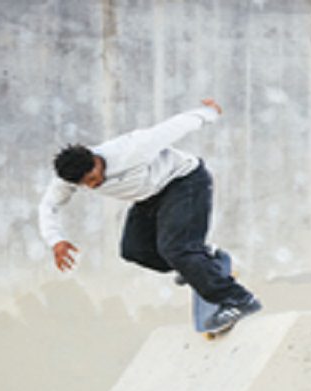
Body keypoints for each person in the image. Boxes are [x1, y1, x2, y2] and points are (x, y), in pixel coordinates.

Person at [37, 98, 260, 334]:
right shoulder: (67, 179)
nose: (93, 186)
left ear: (95, 160)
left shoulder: (132, 148)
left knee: (176, 249)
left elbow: (175, 126)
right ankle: (204, 262)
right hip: (148, 197)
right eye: (85, 185)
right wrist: (56, 240)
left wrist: (209, 112)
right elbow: (48, 206)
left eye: (94, 178)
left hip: (184, 182)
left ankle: (238, 299)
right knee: (135, 251)